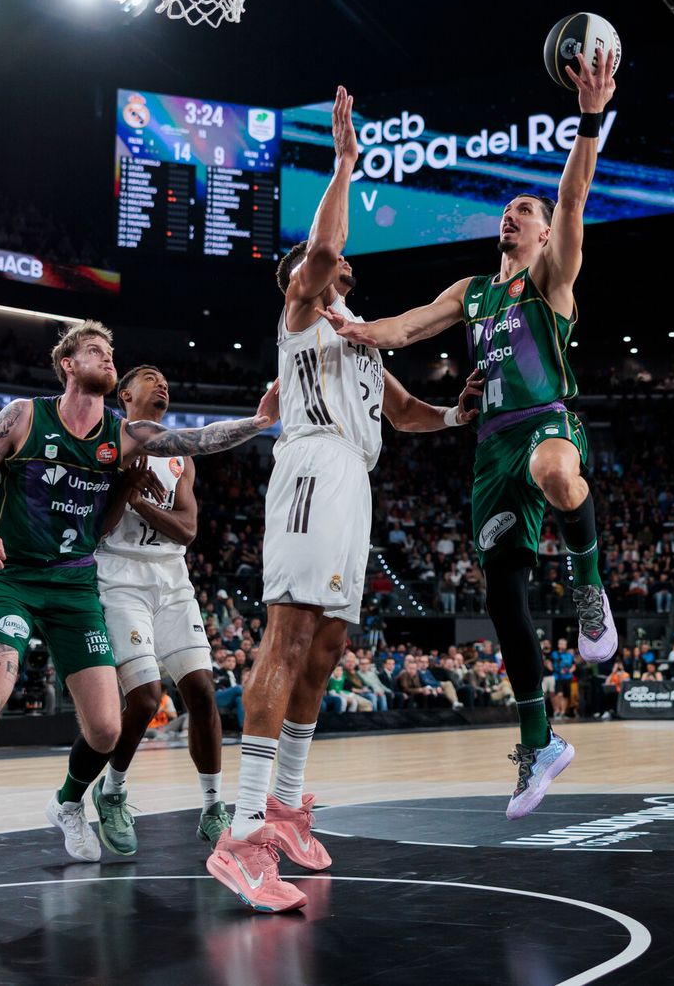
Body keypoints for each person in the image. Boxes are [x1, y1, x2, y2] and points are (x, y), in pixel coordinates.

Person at [0, 320, 281, 893]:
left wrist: (261, 422)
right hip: (13, 581)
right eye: (96, 349)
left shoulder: (125, 433)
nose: (108, 357)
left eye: (112, 351)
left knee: (107, 729)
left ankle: (69, 803)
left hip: (75, 588)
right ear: (67, 364)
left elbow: (199, 440)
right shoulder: (22, 416)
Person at [319, 51, 619, 819]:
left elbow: (575, 195)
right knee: (505, 597)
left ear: (545, 232)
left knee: (559, 475)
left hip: (546, 423)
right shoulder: (474, 291)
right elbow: (408, 326)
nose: (511, 215)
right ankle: (538, 743)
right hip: (490, 447)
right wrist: (352, 328)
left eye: (525, 210)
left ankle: (590, 586)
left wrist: (588, 121)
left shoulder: (552, 277)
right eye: (508, 210)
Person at [207, 88, 482, 914]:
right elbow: (323, 250)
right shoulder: (301, 316)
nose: (333, 268)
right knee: (286, 640)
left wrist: (459, 413)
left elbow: (403, 412)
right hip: (310, 472)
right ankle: (242, 833)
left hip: (354, 479)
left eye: (337, 267)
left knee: (328, 647)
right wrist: (344, 164)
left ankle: (287, 803)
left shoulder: (358, 339)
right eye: (322, 264)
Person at [92, 365, 233, 857]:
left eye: (166, 379)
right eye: (149, 377)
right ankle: (112, 792)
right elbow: (100, 529)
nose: (162, 383)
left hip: (172, 578)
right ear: (125, 393)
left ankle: (214, 807)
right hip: (121, 577)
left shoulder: (180, 459)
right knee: (148, 699)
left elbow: (188, 529)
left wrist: (138, 499)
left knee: (201, 691)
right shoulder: (107, 444)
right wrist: (123, 489)